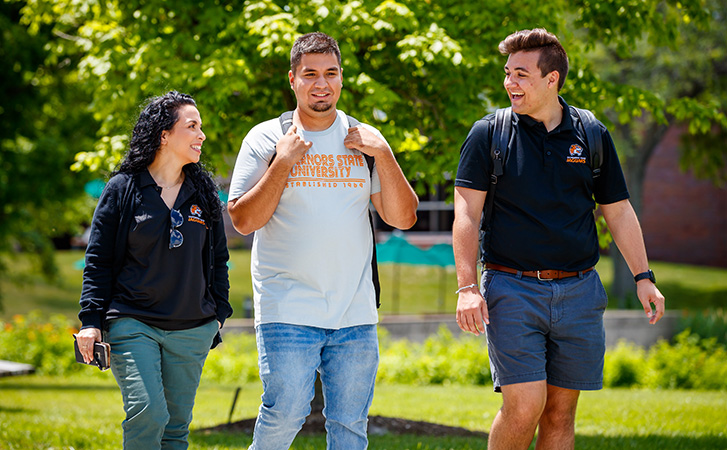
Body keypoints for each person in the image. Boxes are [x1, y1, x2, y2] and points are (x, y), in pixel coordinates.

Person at [453, 28, 665, 449]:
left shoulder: (590, 133)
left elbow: (618, 210)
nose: (509, 83)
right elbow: (466, 213)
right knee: (525, 405)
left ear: (552, 80)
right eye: (508, 73)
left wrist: (644, 276)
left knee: (560, 412)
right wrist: (466, 287)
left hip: (579, 290)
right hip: (511, 287)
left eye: (521, 74)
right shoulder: (489, 134)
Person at [227, 31, 418, 450]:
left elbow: (402, 217)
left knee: (350, 425)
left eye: (330, 73)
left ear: (342, 79)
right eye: (310, 74)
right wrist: (284, 161)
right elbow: (242, 219)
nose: (321, 83)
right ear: (292, 78)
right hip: (288, 306)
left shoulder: (363, 139)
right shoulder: (266, 137)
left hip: (355, 311)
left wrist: (384, 152)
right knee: (285, 414)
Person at [76, 91, 232, 450]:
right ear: (164, 135)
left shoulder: (205, 192)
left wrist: (219, 314)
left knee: (176, 428)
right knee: (149, 412)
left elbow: (218, 259)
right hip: (133, 321)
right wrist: (90, 320)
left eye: (201, 127)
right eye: (192, 126)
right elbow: (98, 259)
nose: (201, 135)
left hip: (192, 328)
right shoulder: (123, 189)